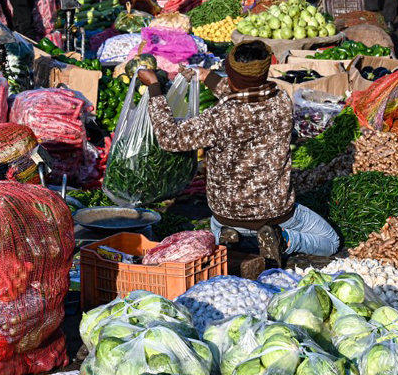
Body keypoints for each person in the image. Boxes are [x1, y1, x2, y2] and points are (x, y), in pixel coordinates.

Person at [137, 42, 340, 261]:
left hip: (227, 217)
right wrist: (207, 76)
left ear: (231, 76)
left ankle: (236, 240)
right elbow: (247, 92)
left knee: (332, 241)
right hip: (276, 215)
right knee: (329, 242)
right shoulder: (281, 102)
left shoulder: (219, 117)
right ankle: (285, 239)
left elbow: (170, 138)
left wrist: (154, 88)